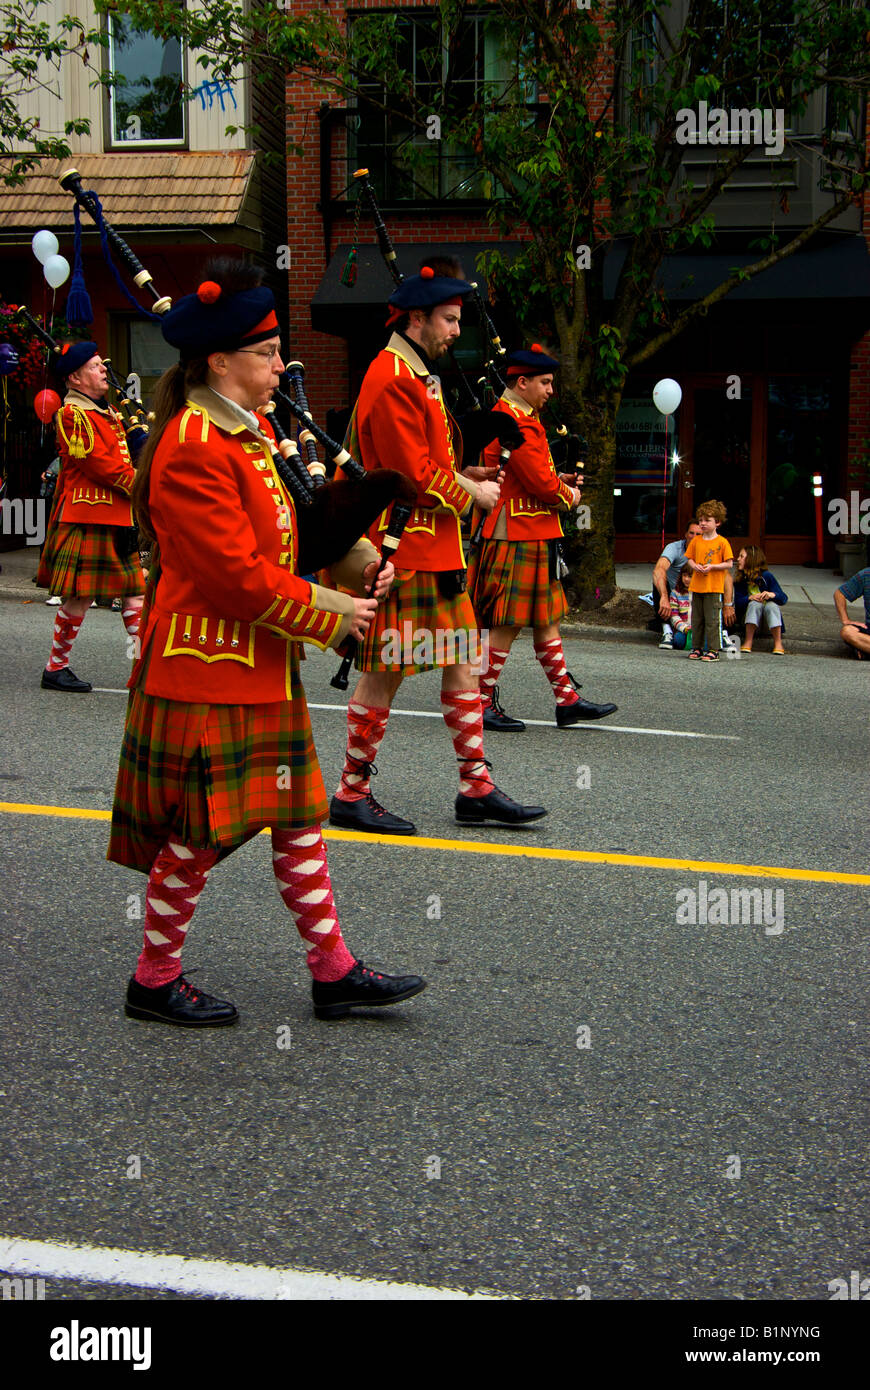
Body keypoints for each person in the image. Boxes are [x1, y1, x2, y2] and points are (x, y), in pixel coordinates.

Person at [108, 259, 426, 1026]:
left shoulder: (248, 435)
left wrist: (357, 559)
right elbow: (238, 579)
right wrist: (336, 611)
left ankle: (334, 971)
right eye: (266, 350)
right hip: (206, 670)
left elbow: (286, 536)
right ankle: (152, 979)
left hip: (259, 664)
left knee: (295, 819)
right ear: (219, 361)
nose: (280, 362)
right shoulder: (193, 444)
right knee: (201, 835)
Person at [329, 265, 547, 835]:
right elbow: (409, 474)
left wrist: (462, 470)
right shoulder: (392, 374)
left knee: (462, 664)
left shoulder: (416, 370)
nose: (456, 331)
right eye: (449, 320)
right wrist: (471, 490)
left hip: (439, 551)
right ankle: (351, 792)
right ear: (418, 317)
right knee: (386, 673)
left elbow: (432, 462)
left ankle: (475, 785)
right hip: (409, 553)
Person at [467, 345, 618, 730]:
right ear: (522, 382)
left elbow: (534, 475)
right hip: (514, 533)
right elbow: (540, 484)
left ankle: (566, 701)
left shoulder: (521, 416)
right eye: (545, 382)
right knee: (507, 622)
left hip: (530, 532)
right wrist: (569, 494)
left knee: (546, 618)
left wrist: (557, 483)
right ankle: (480, 701)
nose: (551, 389)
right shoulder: (512, 420)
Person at [36, 342, 145, 690]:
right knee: (80, 597)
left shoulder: (109, 412)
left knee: (134, 593)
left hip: (117, 516)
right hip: (89, 515)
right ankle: (55, 667)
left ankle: (143, 666)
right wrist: (142, 486)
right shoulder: (72, 415)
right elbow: (98, 464)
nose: (102, 370)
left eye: (101, 364)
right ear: (75, 377)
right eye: (95, 365)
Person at [685, 499, 733, 661]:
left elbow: (729, 563)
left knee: (712, 620)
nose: (703, 524)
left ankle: (714, 649)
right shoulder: (696, 541)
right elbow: (689, 558)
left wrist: (712, 567)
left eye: (707, 520)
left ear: (717, 522)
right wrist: (694, 566)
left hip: (713, 587)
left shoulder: (722, 542)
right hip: (697, 586)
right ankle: (696, 647)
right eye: (701, 520)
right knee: (697, 619)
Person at [647, 521, 700, 645]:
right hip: (675, 594)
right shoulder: (674, 548)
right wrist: (665, 597)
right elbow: (659, 569)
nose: (694, 536)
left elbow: (725, 576)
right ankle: (666, 630)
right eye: (691, 533)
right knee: (658, 580)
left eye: (698, 534)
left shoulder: (709, 550)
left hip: (698, 593)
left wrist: (728, 605)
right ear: (686, 534)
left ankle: (722, 632)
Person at [733, 545, 788, 654]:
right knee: (755, 604)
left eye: (741, 556)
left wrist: (772, 595)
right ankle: (748, 641)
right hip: (749, 621)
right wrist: (750, 597)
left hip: (768, 623)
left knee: (771, 605)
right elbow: (738, 603)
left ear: (751, 560)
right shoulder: (740, 579)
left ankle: (778, 643)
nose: (738, 559)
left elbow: (783, 598)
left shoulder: (766, 576)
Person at [834, 565, 870, 659]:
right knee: (847, 632)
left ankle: (865, 650)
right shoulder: (866, 574)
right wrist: (845, 620)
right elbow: (839, 594)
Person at [661, 563, 693, 650]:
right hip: (683, 629)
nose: (686, 579)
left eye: (690, 576)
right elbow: (674, 616)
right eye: (684, 575)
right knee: (678, 641)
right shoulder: (675, 593)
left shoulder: (700, 593)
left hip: (698, 630)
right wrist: (684, 628)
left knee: (705, 644)